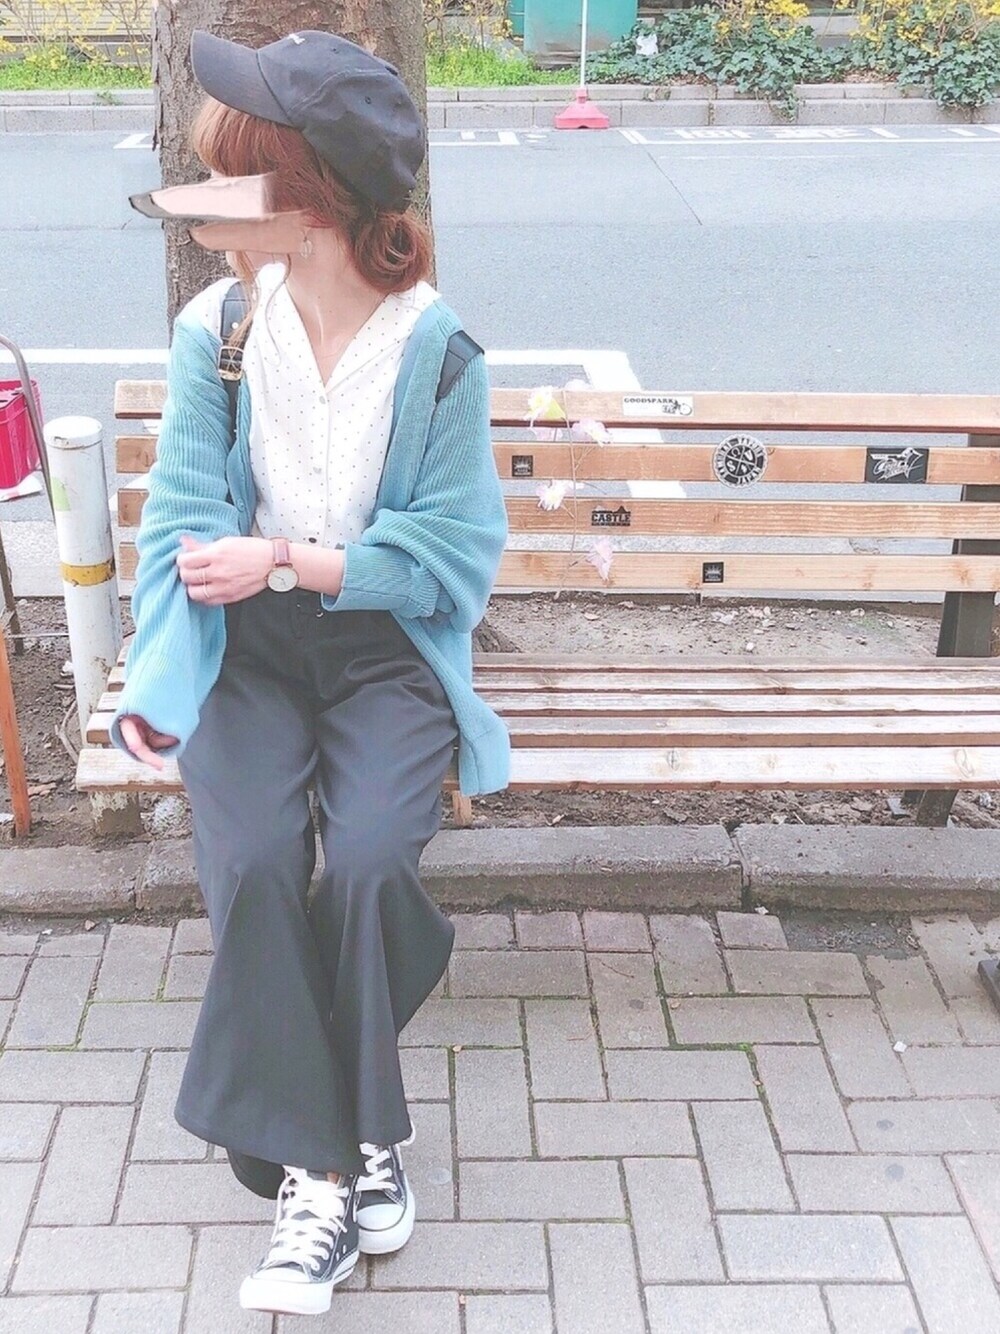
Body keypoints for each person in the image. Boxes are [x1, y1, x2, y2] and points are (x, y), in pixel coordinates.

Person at [111, 28, 511, 1318]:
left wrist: (294, 556)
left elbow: (451, 559)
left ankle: (350, 1131)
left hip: (385, 652)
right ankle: (329, 1169)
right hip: (247, 653)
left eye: (233, 167)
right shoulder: (219, 330)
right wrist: (156, 681)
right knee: (251, 862)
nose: (206, 187)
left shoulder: (439, 352)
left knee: (377, 859)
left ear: (311, 196)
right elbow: (181, 521)